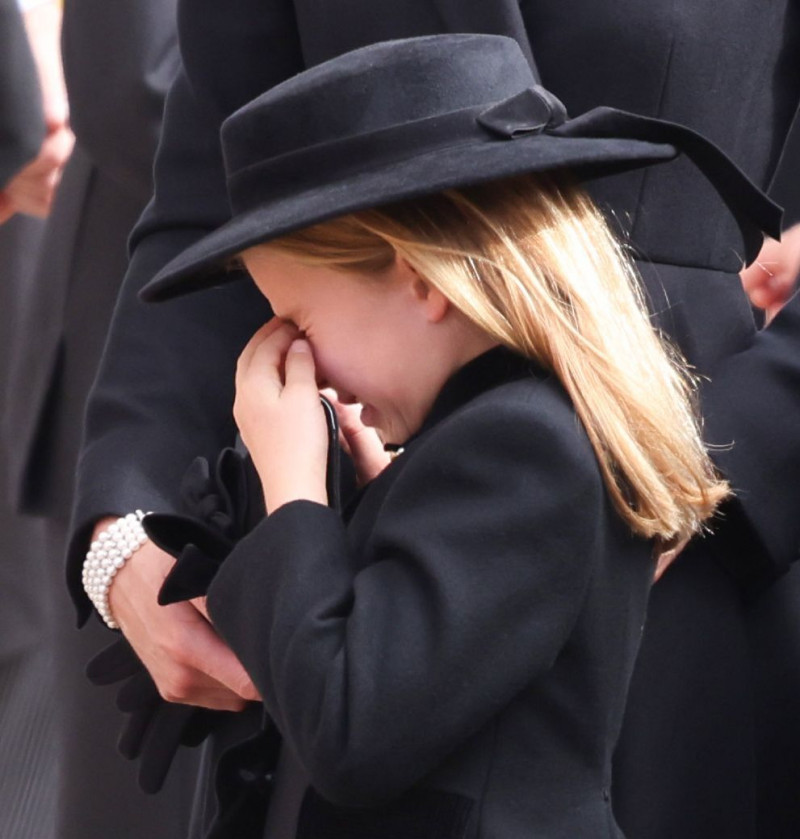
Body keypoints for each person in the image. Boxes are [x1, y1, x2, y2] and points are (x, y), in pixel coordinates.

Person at [67, 4, 800, 838]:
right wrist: (129, 522)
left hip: (712, 540)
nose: (284, 350)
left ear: (425, 277)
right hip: (352, 567)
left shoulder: (537, 451)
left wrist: (689, 472)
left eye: (294, 325)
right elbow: (205, 191)